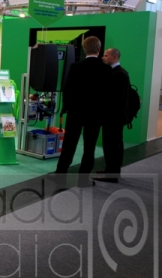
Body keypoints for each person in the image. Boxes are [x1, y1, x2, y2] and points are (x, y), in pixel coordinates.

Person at [54, 36, 112, 187]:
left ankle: (60, 174)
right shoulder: (106, 69)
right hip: (95, 114)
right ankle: (83, 179)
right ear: (99, 49)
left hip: (75, 112)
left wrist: (66, 108)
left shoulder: (75, 67)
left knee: (69, 144)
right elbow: (108, 94)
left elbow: (67, 90)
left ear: (84, 49)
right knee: (89, 147)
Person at [94, 48, 129, 183]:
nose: (103, 57)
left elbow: (114, 98)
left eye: (106, 55)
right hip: (114, 116)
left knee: (112, 145)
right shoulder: (117, 72)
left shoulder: (119, 74)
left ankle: (112, 173)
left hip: (113, 117)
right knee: (113, 144)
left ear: (114, 57)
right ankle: (111, 170)